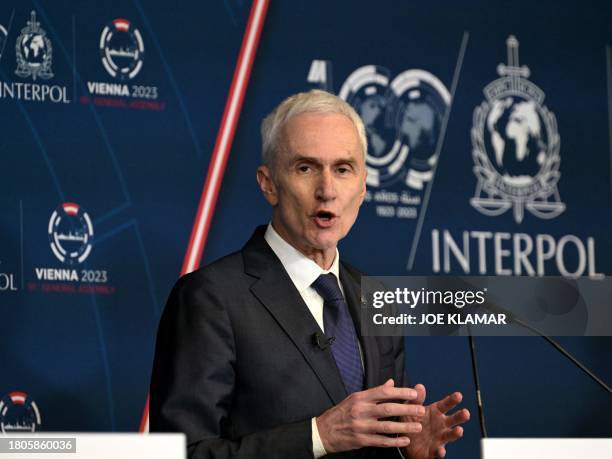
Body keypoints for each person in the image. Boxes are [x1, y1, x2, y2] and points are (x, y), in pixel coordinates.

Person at [150, 90, 469, 458]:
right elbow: (182, 452)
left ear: (363, 186)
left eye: (343, 169)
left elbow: (376, 438)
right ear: (269, 183)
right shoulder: (212, 297)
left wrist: (405, 452)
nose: (327, 190)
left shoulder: (375, 297)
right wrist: (317, 436)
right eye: (305, 168)